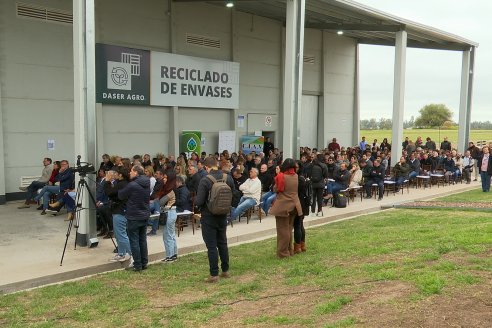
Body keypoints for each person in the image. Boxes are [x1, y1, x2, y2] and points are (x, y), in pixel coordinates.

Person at [195, 157, 234, 283]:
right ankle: (226, 270)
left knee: (211, 246)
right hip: (223, 215)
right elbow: (234, 194)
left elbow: (199, 201)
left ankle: (213, 274)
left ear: (206, 167)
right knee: (222, 242)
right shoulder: (228, 177)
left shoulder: (205, 180)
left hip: (208, 216)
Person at [118, 165, 150, 272]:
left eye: (131, 171)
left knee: (134, 241)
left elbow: (121, 195)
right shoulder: (147, 182)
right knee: (142, 240)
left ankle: (137, 264)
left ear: (136, 172)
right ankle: (144, 262)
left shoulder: (132, 185)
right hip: (144, 214)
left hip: (134, 216)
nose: (129, 173)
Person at [269, 158, 302, 258]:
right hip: (294, 206)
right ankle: (289, 250)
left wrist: (278, 175)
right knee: (288, 229)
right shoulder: (296, 176)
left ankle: (283, 253)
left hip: (283, 206)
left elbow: (276, 189)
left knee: (282, 230)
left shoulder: (281, 176)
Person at [104, 167, 131, 263]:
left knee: (121, 235)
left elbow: (109, 193)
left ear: (120, 175)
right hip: (120, 211)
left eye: (115, 173)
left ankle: (132, 254)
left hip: (120, 212)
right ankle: (121, 253)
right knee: (119, 235)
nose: (113, 175)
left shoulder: (122, 184)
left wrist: (107, 181)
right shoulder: (123, 183)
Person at [293, 161, 310, 254]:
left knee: (297, 225)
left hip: (300, 203)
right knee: (300, 225)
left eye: (296, 167)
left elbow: (297, 192)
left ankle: (298, 246)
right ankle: (302, 245)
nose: (295, 169)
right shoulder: (301, 178)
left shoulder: (299, 178)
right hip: (301, 202)